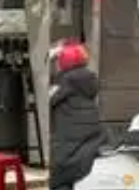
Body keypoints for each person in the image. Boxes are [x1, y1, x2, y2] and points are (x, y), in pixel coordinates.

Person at [48, 40, 105, 190]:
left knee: (57, 175)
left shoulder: (66, 80)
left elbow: (47, 100)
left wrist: (49, 57)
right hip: (90, 139)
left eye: (58, 61)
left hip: (70, 143)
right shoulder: (89, 78)